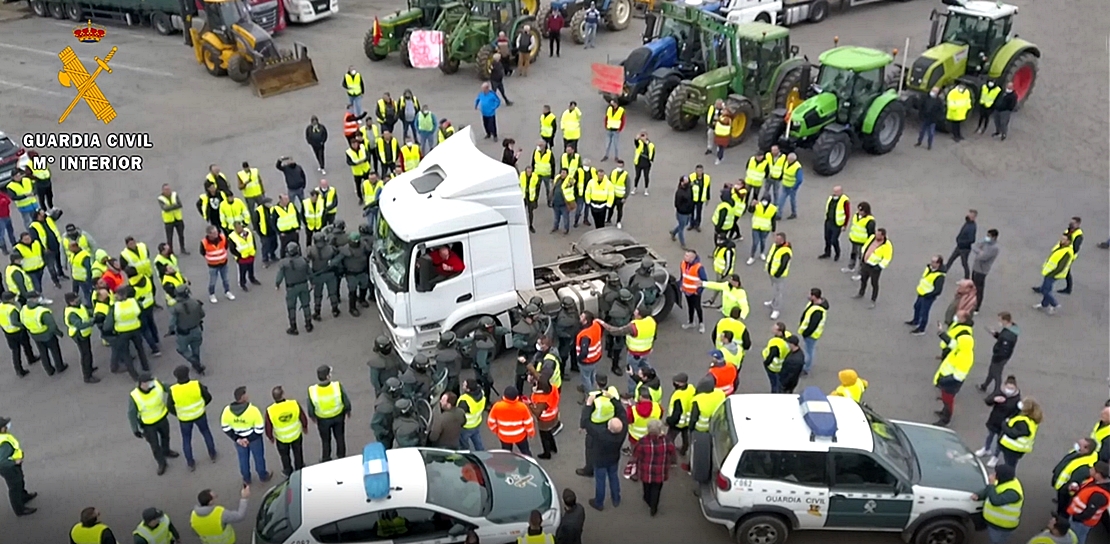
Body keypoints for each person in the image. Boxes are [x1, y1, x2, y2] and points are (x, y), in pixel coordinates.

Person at [166, 365, 217, 472]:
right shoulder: (196, 385)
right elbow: (208, 397)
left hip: (184, 419)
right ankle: (212, 454)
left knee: (186, 440)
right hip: (199, 414)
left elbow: (169, 406)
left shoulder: (173, 390)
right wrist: (201, 406)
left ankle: (190, 462)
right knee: (206, 433)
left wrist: (179, 413)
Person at [128, 372, 180, 475]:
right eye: (149, 382)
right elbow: (131, 413)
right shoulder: (135, 396)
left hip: (162, 418)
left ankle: (166, 451)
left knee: (166, 437)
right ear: (142, 384)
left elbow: (171, 388)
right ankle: (161, 463)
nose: (152, 383)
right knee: (155, 445)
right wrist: (135, 429)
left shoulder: (157, 384)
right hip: (148, 425)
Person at [220, 386, 272, 484]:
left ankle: (246, 478)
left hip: (239, 439)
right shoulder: (253, 410)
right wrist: (248, 439)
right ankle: (263, 475)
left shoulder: (227, 411)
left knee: (243, 459)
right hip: (254, 439)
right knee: (259, 457)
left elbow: (225, 428)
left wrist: (238, 439)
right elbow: (259, 428)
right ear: (243, 397)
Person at [599, 305, 655, 394]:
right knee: (646, 369)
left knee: (631, 373)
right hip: (646, 352)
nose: (634, 312)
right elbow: (654, 335)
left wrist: (602, 323)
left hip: (634, 354)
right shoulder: (651, 321)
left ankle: (632, 393)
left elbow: (615, 331)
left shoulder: (634, 327)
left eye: (636, 311)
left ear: (640, 316)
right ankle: (651, 384)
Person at [584, 392, 626, 510]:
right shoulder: (622, 431)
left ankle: (599, 502)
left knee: (600, 481)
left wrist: (588, 404)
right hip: (614, 459)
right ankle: (616, 498)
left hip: (600, 460)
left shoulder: (600, 434)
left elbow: (585, 422)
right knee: (614, 477)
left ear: (609, 427)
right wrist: (613, 399)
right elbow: (622, 412)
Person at [933, 311, 975, 426]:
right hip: (947, 377)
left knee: (948, 400)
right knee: (945, 398)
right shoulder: (961, 349)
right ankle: (944, 412)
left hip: (950, 381)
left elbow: (959, 376)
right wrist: (942, 334)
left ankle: (945, 419)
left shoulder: (964, 357)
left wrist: (943, 380)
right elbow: (953, 344)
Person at [104, 286, 151, 380]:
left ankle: (134, 375)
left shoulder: (115, 307)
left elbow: (108, 324)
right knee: (140, 349)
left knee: (126, 354)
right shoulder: (134, 302)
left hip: (122, 332)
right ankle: (146, 367)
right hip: (135, 329)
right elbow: (141, 311)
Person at [308, 364, 352, 462]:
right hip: (338, 417)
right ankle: (341, 456)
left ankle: (326, 458)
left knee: (325, 440)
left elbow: (310, 406)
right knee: (340, 437)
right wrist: (348, 410)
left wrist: (313, 417)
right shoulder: (336, 386)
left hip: (323, 419)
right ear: (327, 376)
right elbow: (345, 400)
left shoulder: (313, 390)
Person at [632, 419, 675, 516]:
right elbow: (672, 451)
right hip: (660, 470)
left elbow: (636, 454)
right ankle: (653, 507)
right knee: (657, 488)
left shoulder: (643, 441)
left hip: (646, 470)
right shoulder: (666, 440)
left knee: (646, 485)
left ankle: (647, 498)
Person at [976, 376, 1020, 463]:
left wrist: (1009, 419)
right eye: (1008, 387)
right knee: (990, 436)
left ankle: (995, 457)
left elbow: (1017, 413)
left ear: (1015, 388)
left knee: (999, 441)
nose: (1009, 390)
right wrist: (994, 399)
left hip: (1004, 424)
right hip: (994, 420)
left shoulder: (1017, 399)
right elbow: (987, 401)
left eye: (1012, 388)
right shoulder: (999, 392)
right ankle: (986, 449)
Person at [265, 385, 307, 477]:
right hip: (296, 434)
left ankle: (288, 470)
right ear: (283, 394)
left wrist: (270, 437)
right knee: (298, 452)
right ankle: (299, 468)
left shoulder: (270, 410)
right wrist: (304, 427)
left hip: (281, 438)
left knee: (284, 456)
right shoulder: (293, 404)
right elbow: (302, 416)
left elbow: (268, 426)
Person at [20, 291, 66, 375]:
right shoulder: (42, 311)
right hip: (47, 334)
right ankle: (60, 367)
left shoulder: (24, 309)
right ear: (33, 299)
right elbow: (52, 325)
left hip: (35, 335)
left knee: (43, 353)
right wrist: (59, 333)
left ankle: (49, 370)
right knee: (55, 351)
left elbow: (22, 321)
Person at [990, 397, 1042, 469]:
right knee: (1010, 464)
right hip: (1015, 449)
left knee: (1010, 466)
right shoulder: (1028, 419)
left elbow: (1012, 433)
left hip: (1012, 449)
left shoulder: (1023, 423)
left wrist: (1004, 424)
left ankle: (1008, 478)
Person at [977, 464, 1023, 543]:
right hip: (994, 522)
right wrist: (979, 495)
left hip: (1002, 526)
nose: (994, 475)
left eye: (996, 473)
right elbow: (992, 490)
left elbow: (996, 501)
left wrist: (990, 485)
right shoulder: (1004, 480)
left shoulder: (1013, 493)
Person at [0, 416, 37, 516]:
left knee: (20, 480)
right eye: (4, 425)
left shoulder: (3, 436)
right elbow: (2, 461)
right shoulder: (3, 443)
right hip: (8, 468)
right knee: (14, 487)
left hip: (12, 465)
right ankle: (19, 509)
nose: (7, 426)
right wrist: (15, 462)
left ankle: (23, 496)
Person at [1066, 461, 1110, 543]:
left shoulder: (1100, 495)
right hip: (1077, 517)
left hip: (1081, 523)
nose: (1090, 469)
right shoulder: (1094, 481)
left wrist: (1076, 518)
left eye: (1093, 469)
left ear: (1098, 474)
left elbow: (1089, 513)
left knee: (1077, 539)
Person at [1052, 439, 1097, 515]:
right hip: (1062, 485)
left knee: (1063, 507)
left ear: (1086, 449)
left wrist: (1063, 489)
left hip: (1065, 490)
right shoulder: (1079, 453)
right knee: (1061, 503)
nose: (1076, 445)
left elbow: (1074, 485)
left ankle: (1060, 518)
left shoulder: (1083, 468)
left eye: (1080, 445)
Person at [977, 312, 1019, 393]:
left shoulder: (1008, 335)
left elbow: (1004, 347)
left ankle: (997, 391)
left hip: (1000, 357)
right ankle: (984, 385)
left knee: (996, 373)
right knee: (992, 371)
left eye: (1000, 320)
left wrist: (997, 356)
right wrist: (996, 334)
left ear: (1005, 321)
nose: (999, 322)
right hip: (1002, 356)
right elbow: (1002, 338)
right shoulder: (1011, 329)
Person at [0, 291, 39, 377]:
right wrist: (24, 326)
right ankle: (31, 358)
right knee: (26, 345)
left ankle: (18, 369)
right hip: (17, 331)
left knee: (15, 351)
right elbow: (14, 322)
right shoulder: (11, 309)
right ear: (10, 300)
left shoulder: (1, 307)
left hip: (8, 332)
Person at [1032, 234, 1074, 315]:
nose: (1061, 240)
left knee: (1045, 290)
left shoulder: (1067, 252)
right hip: (1049, 272)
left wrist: (1051, 273)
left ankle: (1055, 304)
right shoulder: (1061, 246)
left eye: (1064, 239)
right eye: (1062, 238)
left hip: (1053, 274)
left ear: (1068, 241)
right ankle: (1044, 304)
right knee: (1047, 289)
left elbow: (1061, 266)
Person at [853, 228, 893, 307]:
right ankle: (861, 293)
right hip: (866, 263)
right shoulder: (872, 238)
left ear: (883, 236)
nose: (876, 236)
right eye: (876, 234)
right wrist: (863, 255)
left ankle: (873, 300)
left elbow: (887, 258)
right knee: (863, 279)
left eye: (878, 235)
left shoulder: (887, 245)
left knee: (874, 283)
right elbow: (866, 246)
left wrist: (879, 266)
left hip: (875, 267)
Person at [907, 255, 946, 335]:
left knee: (924, 312)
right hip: (921, 293)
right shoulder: (929, 268)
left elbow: (938, 290)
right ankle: (916, 321)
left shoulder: (939, 276)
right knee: (917, 306)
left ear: (938, 264)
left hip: (928, 296)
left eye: (933, 262)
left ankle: (921, 329)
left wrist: (928, 295)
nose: (931, 263)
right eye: (931, 261)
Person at [968, 228, 1000, 311]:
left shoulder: (994, 248)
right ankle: (971, 302)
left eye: (989, 236)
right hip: (976, 267)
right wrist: (980, 251)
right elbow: (974, 246)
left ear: (994, 237)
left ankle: (977, 307)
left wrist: (979, 252)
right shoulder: (985, 243)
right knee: (972, 286)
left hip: (982, 271)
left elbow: (982, 257)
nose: (987, 237)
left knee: (979, 289)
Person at [797, 288, 827, 374]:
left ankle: (806, 368)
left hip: (811, 335)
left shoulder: (818, 311)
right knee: (809, 350)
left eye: (810, 294)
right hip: (809, 334)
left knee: (809, 351)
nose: (808, 296)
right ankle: (807, 365)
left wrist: (805, 333)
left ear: (814, 296)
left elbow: (812, 325)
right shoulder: (813, 304)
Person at [528, 380, 560, 458]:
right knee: (549, 432)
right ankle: (553, 447)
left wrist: (529, 404)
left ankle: (547, 453)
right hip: (552, 414)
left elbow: (537, 413)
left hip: (545, 419)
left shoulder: (542, 399)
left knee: (544, 436)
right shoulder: (552, 389)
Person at [764, 232, 792, 320]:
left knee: (778, 292)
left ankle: (776, 309)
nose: (775, 240)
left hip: (778, 276)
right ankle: (773, 302)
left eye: (778, 239)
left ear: (782, 240)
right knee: (775, 290)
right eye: (776, 238)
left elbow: (783, 265)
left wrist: (777, 274)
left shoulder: (786, 251)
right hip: (772, 273)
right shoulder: (775, 245)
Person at [842, 202, 875, 275]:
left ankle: (861, 273)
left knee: (861, 258)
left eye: (861, 211)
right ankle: (851, 267)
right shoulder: (856, 216)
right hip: (854, 240)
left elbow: (871, 234)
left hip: (863, 242)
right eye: (859, 210)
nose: (859, 212)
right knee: (853, 254)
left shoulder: (870, 221)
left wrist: (869, 244)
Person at [679, 249, 707, 333]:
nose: (684, 257)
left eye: (687, 256)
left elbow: (704, 281)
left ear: (692, 258)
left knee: (698, 307)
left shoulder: (699, 267)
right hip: (687, 291)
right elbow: (682, 276)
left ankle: (701, 323)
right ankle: (691, 322)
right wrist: (681, 285)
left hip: (695, 292)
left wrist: (698, 291)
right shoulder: (683, 263)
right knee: (690, 307)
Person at [227, 221, 260, 291]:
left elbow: (253, 241)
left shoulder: (247, 232)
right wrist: (239, 256)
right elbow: (232, 249)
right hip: (242, 258)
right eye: (238, 228)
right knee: (243, 271)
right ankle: (242, 283)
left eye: (241, 227)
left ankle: (252, 278)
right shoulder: (232, 237)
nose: (240, 229)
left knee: (251, 268)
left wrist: (254, 249)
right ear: (235, 229)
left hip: (250, 254)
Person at [945, 209, 978, 279]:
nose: (968, 215)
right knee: (951, 259)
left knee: (964, 263)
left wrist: (962, 242)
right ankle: (943, 272)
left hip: (964, 249)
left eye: (970, 215)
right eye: (969, 214)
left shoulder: (972, 227)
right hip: (959, 246)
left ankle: (967, 278)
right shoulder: (967, 223)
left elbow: (972, 240)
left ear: (974, 217)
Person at [819, 186, 849, 260]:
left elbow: (847, 213)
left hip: (837, 224)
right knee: (827, 238)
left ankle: (837, 253)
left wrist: (845, 225)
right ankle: (827, 252)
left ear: (841, 192)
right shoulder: (831, 198)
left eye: (837, 192)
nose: (835, 193)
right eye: (834, 191)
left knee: (834, 240)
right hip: (829, 221)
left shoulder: (844, 200)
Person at [761, 322, 792, 393]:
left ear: (780, 332)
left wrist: (766, 363)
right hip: (783, 365)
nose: (772, 329)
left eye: (775, 329)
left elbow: (771, 356)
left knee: (774, 383)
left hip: (774, 367)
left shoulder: (776, 343)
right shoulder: (788, 335)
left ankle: (775, 394)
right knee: (779, 381)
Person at [747, 194, 777, 264]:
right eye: (763, 200)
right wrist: (752, 205)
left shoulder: (773, 209)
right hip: (756, 227)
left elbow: (773, 220)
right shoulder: (757, 205)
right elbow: (750, 211)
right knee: (755, 242)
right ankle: (752, 256)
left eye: (766, 201)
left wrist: (773, 230)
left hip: (765, 228)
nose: (764, 202)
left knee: (763, 241)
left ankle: (762, 253)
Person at [457, 380, 487, 451]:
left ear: (468, 389)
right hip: (477, 422)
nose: (462, 385)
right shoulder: (481, 393)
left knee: (463, 444)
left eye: (464, 385)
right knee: (477, 440)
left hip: (466, 426)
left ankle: (466, 454)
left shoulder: (464, 400)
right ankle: (482, 454)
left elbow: (459, 413)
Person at [1059, 217, 1084, 295]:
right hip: (1062, 253)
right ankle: (1068, 288)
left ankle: (1068, 288)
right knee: (1065, 271)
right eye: (1071, 222)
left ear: (1078, 224)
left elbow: (1076, 248)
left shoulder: (1078, 235)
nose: (1071, 224)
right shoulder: (1069, 230)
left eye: (1073, 223)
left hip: (1069, 255)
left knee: (1064, 271)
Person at [670, 176, 694, 248]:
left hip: (689, 211)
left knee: (684, 224)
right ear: (682, 182)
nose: (688, 182)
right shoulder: (679, 192)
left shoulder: (689, 188)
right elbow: (677, 204)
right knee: (681, 228)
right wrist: (683, 209)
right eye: (686, 181)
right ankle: (682, 244)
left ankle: (673, 232)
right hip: (682, 213)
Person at [688, 165, 711, 232]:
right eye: (698, 171)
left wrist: (708, 198)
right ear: (695, 171)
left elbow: (708, 188)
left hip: (700, 199)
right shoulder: (691, 177)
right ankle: (691, 224)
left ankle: (697, 225)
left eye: (700, 171)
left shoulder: (707, 178)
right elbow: (688, 187)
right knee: (691, 212)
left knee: (699, 212)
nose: (699, 172)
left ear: (702, 171)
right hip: (692, 198)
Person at [632, 131, 654, 196]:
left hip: (646, 163)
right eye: (641, 136)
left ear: (647, 136)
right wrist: (637, 138)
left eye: (643, 136)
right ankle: (635, 188)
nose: (642, 137)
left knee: (646, 176)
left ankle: (646, 189)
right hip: (638, 162)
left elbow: (653, 152)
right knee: (637, 176)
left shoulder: (650, 145)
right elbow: (635, 142)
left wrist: (651, 160)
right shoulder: (639, 143)